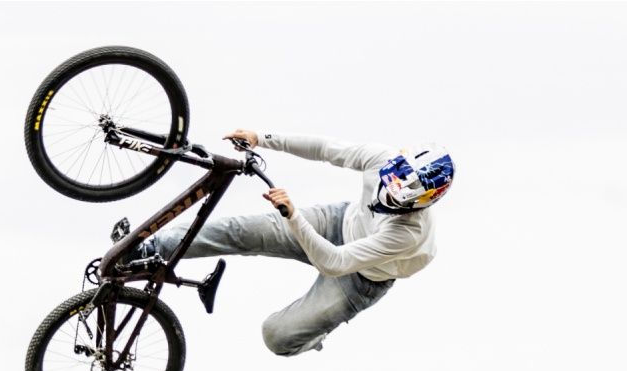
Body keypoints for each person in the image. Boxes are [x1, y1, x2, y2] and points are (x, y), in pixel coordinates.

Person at [134, 130, 454, 356]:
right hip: (337, 221)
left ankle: (315, 333)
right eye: (391, 181)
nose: (390, 193)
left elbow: (334, 262)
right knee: (241, 231)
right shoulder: (382, 159)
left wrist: (292, 215)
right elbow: (326, 149)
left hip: (361, 278)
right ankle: (150, 248)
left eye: (401, 197)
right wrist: (263, 139)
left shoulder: (408, 233)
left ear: (423, 203)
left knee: (276, 337)